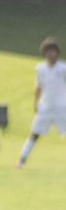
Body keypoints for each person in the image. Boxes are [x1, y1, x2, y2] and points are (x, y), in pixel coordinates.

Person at [16, 38, 66, 166]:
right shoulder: (40, 68)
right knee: (34, 134)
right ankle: (22, 160)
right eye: (48, 51)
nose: (51, 54)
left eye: (53, 51)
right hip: (46, 107)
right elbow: (38, 87)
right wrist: (36, 102)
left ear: (57, 52)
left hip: (62, 107)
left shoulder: (63, 68)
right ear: (44, 53)